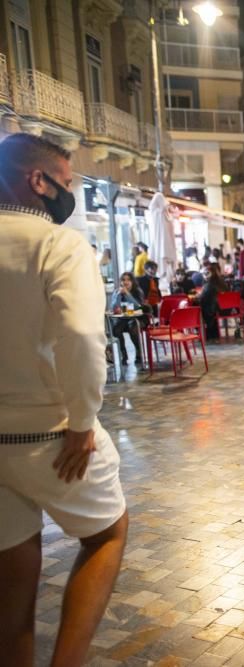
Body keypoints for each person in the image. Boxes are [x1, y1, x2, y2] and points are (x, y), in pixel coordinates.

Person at [0, 133, 128, 666]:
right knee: (107, 533)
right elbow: (80, 335)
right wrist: (82, 421)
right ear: (39, 181)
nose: (70, 194)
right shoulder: (58, 242)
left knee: (11, 577)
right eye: (67, 183)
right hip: (51, 434)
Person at [110, 272, 146, 366]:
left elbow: (138, 306)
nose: (126, 282)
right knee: (116, 330)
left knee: (133, 329)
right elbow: (113, 307)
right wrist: (118, 295)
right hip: (123, 319)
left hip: (138, 319)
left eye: (128, 280)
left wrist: (127, 294)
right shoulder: (117, 291)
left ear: (132, 281)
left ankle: (139, 354)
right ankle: (124, 355)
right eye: (123, 280)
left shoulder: (137, 291)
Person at [191, 263, 229, 341]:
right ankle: (209, 333)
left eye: (206, 273)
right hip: (224, 308)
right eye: (204, 273)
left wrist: (197, 297)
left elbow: (202, 298)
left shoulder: (209, 285)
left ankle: (202, 332)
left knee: (194, 308)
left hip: (212, 310)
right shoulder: (221, 282)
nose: (204, 275)